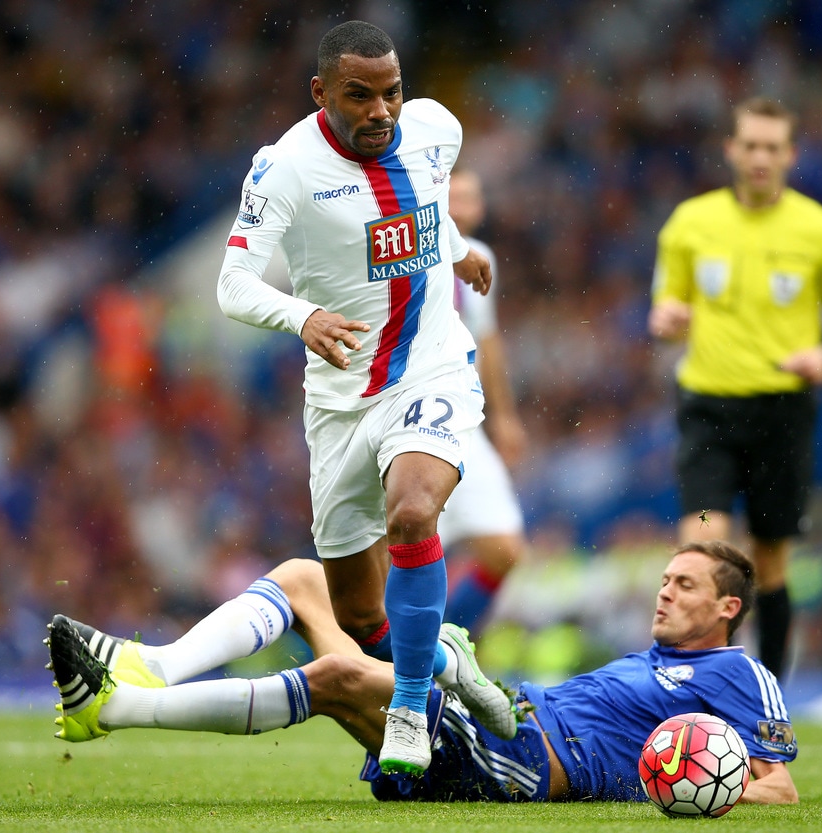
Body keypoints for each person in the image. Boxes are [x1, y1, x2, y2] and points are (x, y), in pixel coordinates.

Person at [213, 20, 500, 773]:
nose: (381, 111)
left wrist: (457, 253)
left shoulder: (436, 128)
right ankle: (448, 661)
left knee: (413, 511)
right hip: (340, 400)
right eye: (359, 96)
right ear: (321, 93)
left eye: (392, 92)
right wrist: (302, 315)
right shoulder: (284, 168)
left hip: (432, 368)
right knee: (359, 613)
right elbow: (233, 284)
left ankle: (409, 708)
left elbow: (425, 206)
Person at [46, 540, 799, 805]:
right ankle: (153, 666)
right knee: (306, 579)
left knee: (338, 676)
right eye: (665, 580)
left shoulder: (738, 673)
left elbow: (780, 787)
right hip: (511, 715)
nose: (665, 592)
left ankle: (113, 709)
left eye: (685, 585)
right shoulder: (655, 660)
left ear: (728, 607)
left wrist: (687, 787)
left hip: (530, 759)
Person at [647, 96, 822, 678]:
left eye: (772, 147)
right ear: (730, 148)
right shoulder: (691, 223)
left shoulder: (821, 232)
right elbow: (665, 306)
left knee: (770, 559)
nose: (760, 157)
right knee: (702, 547)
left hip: (782, 414)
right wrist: (667, 318)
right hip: (708, 410)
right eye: (750, 145)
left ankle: (769, 696)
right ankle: (690, 683)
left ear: (790, 154)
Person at [439, 168, 529, 632]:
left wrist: (504, 418)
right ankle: (364, 660)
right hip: (411, 421)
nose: (460, 206)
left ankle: (448, 642)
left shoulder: (481, 257)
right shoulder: (412, 253)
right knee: (394, 563)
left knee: (504, 549)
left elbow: (486, 341)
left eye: (470, 197)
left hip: (464, 422)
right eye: (451, 196)